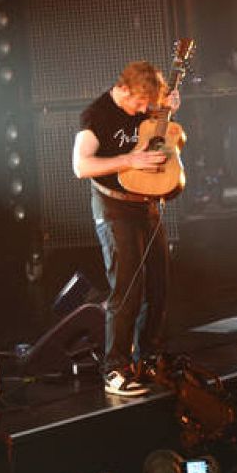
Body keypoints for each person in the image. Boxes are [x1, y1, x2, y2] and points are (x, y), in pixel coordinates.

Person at [72, 60, 180, 397]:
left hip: (145, 204)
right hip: (113, 207)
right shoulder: (95, 116)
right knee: (127, 288)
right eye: (140, 102)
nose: (143, 109)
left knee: (158, 286)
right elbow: (80, 166)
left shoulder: (144, 107)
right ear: (124, 89)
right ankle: (114, 369)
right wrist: (129, 161)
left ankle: (146, 357)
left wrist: (168, 110)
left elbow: (160, 131)